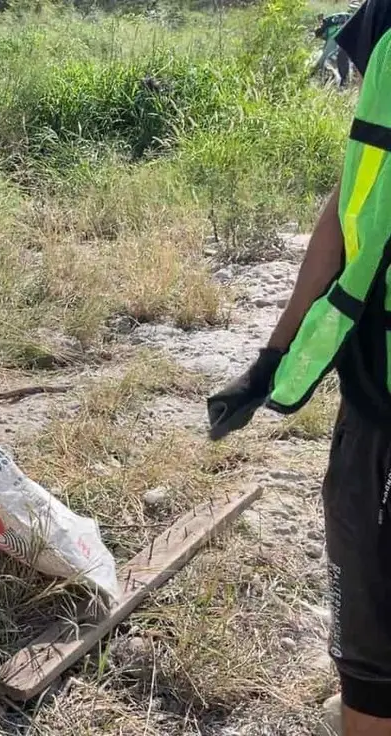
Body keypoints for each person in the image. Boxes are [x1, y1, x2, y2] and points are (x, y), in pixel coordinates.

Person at [206, 0, 391, 732]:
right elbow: (357, 192)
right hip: (378, 400)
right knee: (370, 656)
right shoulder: (383, 20)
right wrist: (272, 355)